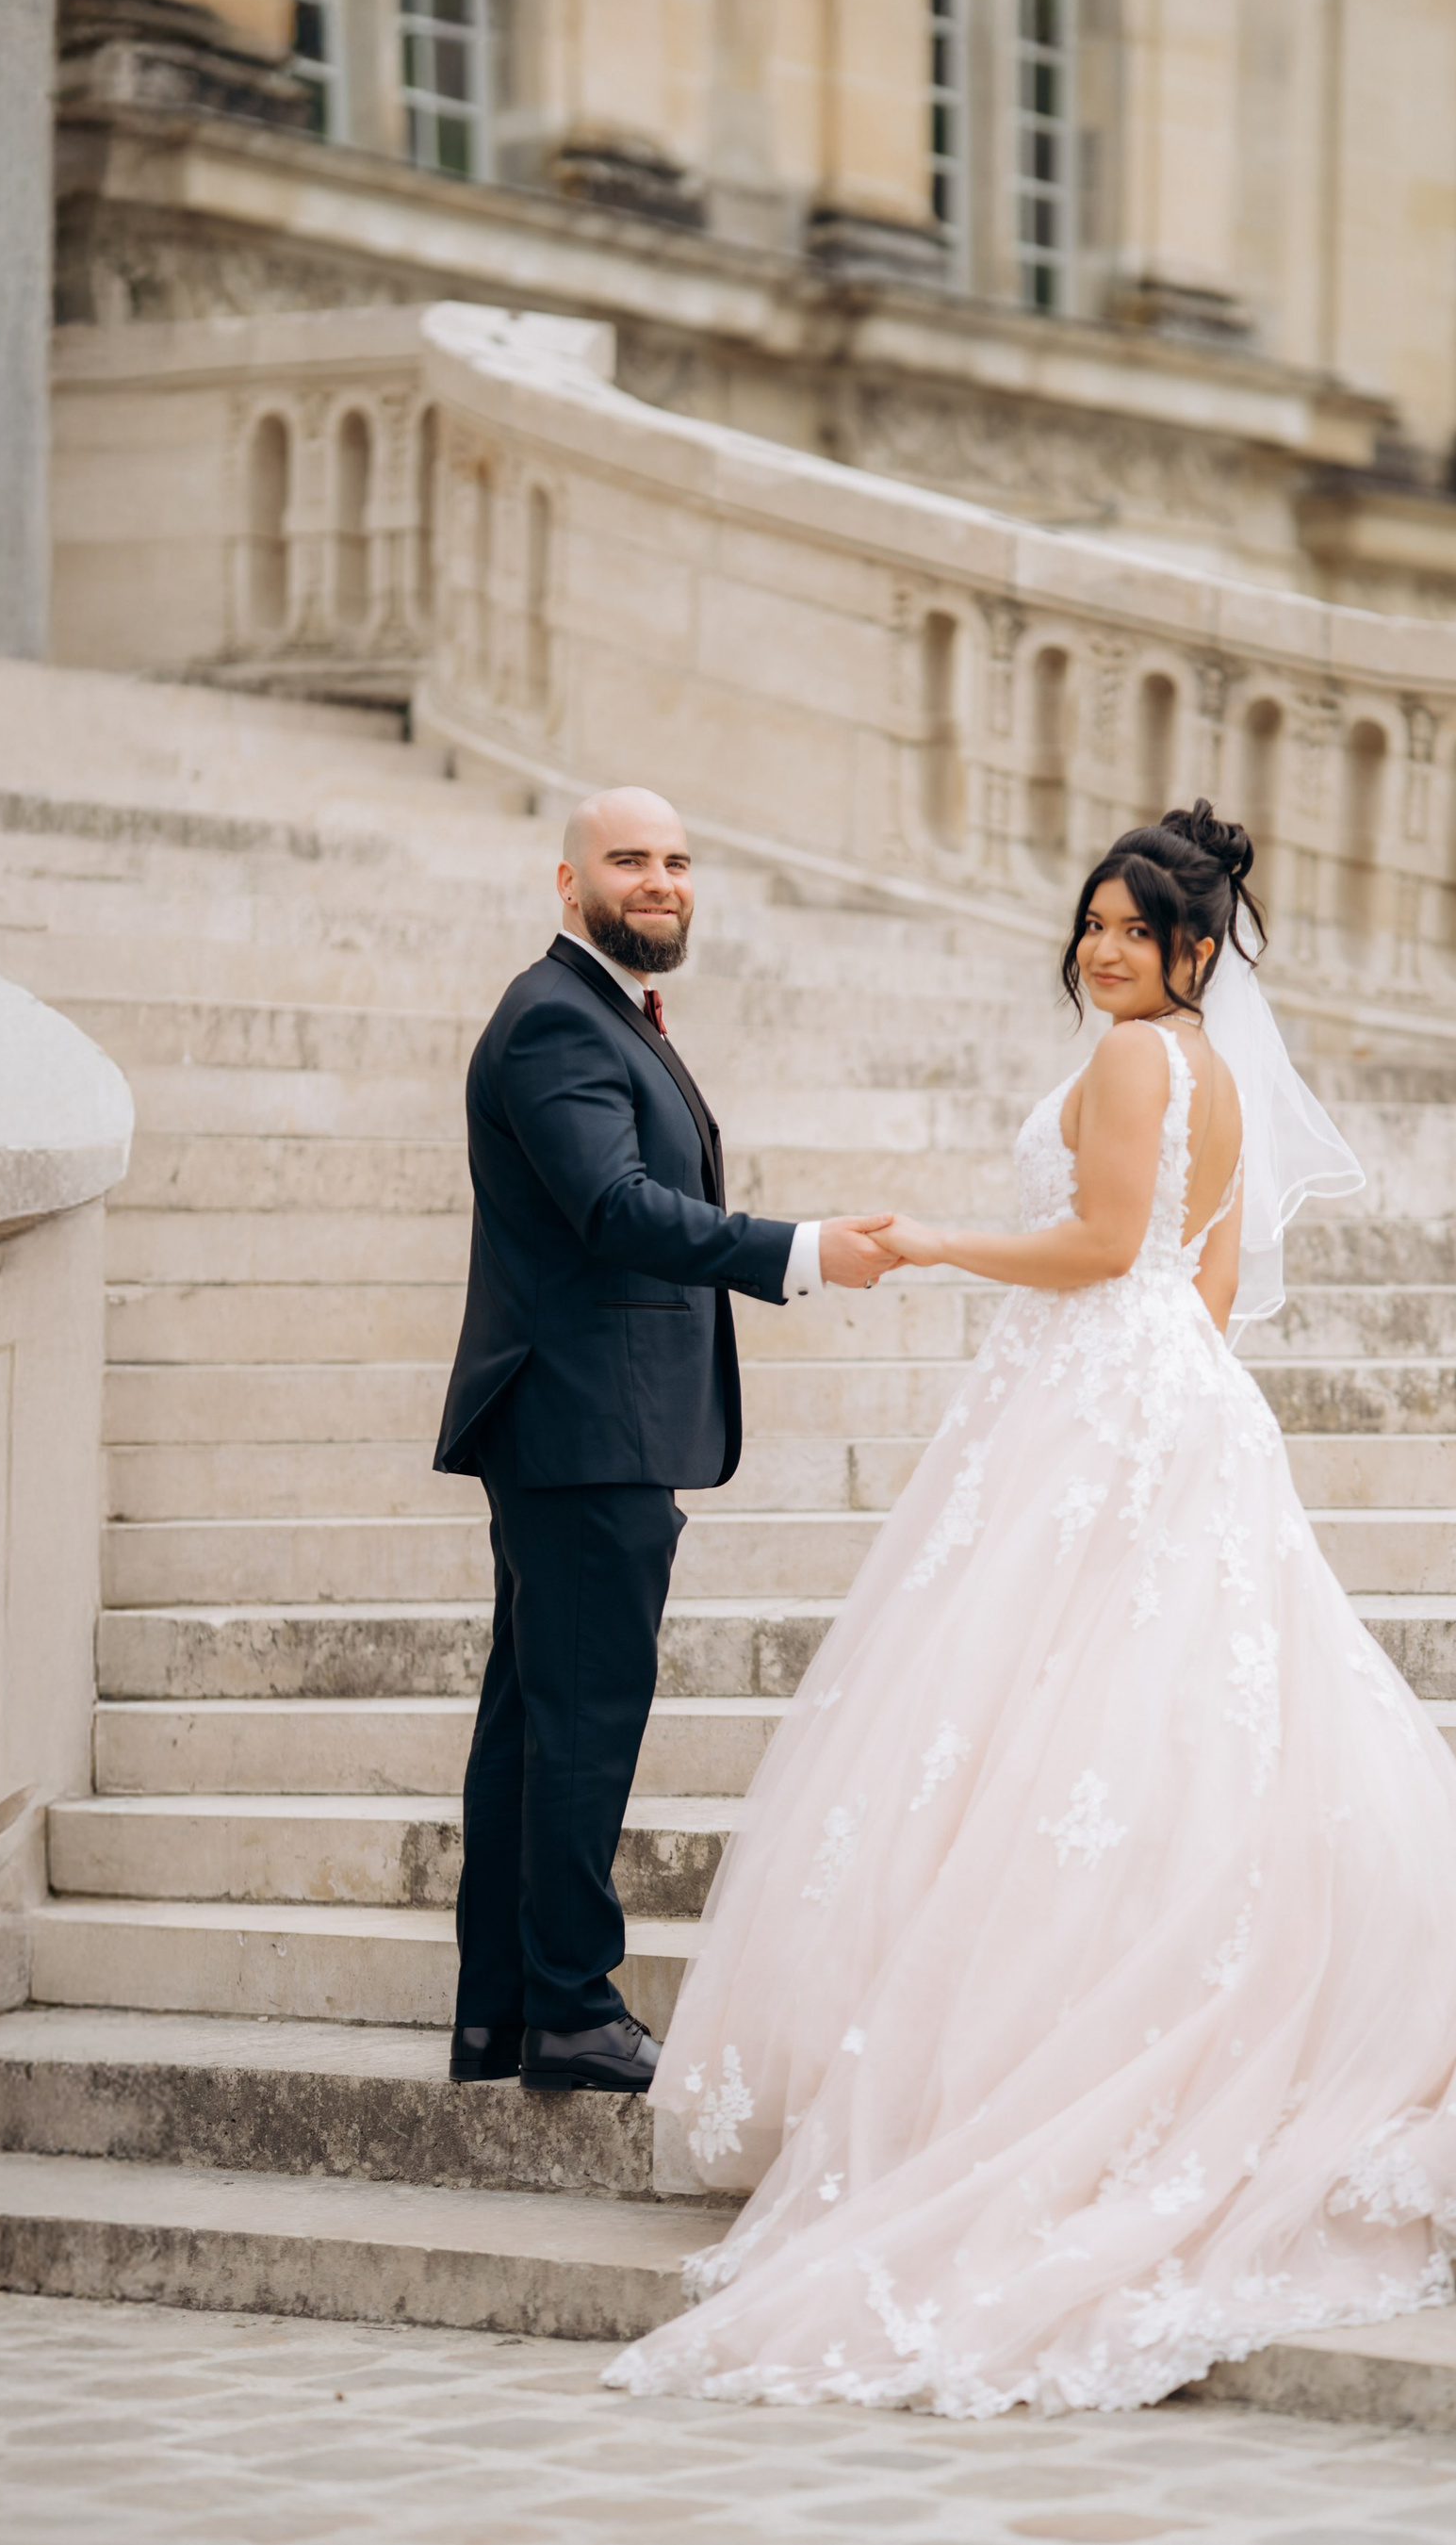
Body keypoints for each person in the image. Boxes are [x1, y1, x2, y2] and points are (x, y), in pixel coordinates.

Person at [605, 801, 1456, 2413]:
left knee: (1049, 1719)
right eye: (1089, 923)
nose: (1100, 950)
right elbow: (1203, 1282)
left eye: (1130, 931)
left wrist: (939, 1239)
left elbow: (1100, 1244)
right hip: (1171, 1390)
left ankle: (1010, 2079)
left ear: (1195, 951)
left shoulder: (1136, 1059)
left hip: (1096, 1391)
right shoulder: (1216, 1075)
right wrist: (1167, 1395)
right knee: (1152, 1718)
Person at [435, 786, 900, 2094]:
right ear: (566, 880)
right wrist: (797, 1250)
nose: (662, 880)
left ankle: (507, 2011)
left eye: (680, 860)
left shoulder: (599, 1014)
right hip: (586, 1426)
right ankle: (574, 2011)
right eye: (630, 858)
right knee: (581, 1725)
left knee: (534, 1724)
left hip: (585, 1423)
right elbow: (617, 1208)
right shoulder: (551, 1020)